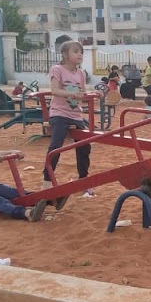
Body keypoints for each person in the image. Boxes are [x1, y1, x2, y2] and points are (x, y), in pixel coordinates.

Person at [43, 40, 94, 197]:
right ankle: (47, 182)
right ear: (65, 54)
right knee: (56, 145)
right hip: (60, 113)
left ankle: (83, 181)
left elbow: (82, 94)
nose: (80, 54)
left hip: (76, 115)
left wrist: (92, 95)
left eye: (81, 52)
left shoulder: (81, 73)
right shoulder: (57, 69)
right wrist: (72, 94)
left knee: (84, 146)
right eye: (76, 51)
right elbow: (54, 90)